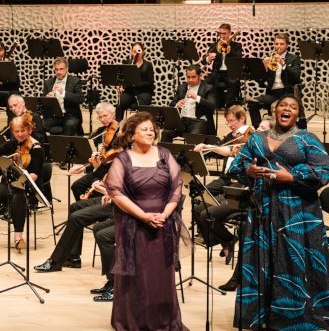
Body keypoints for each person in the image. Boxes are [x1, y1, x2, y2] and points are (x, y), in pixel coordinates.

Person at [227, 95, 329, 330]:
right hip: (262, 209)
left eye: (293, 107)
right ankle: (263, 316)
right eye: (283, 106)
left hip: (297, 211)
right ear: (274, 110)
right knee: (261, 260)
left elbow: (323, 171)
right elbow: (238, 166)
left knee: (294, 260)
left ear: (298, 114)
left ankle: (296, 318)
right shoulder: (256, 139)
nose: (287, 109)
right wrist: (251, 171)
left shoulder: (308, 139)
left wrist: (291, 177)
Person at [104, 111, 188, 331]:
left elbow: (177, 186)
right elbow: (115, 192)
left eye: (152, 129)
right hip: (135, 225)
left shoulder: (164, 153)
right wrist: (143, 216)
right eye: (144, 129)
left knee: (161, 274)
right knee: (139, 275)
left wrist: (166, 213)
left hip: (163, 223)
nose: (150, 132)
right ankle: (135, 320)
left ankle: (163, 319)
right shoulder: (123, 158)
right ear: (131, 135)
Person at [191, 105, 252, 291]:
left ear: (242, 119)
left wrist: (211, 147)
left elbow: (231, 151)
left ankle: (225, 240)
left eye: (232, 120)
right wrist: (208, 147)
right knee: (197, 203)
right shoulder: (234, 135)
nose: (229, 124)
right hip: (227, 180)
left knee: (206, 213)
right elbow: (225, 148)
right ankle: (224, 240)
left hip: (239, 186)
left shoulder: (250, 136)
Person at [0, 114, 44, 252]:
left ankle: (18, 238)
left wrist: (19, 179)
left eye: (23, 131)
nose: (20, 134)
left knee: (18, 198)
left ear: (29, 130)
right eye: (16, 131)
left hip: (26, 187)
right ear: (13, 132)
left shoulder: (36, 148)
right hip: (9, 184)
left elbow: (34, 175)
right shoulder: (13, 143)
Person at [65, 102, 119, 201]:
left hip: (110, 173)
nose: (103, 119)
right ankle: (83, 210)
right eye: (100, 117)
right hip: (98, 170)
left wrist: (88, 169)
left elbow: (111, 161)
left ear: (113, 114)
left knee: (92, 192)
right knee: (76, 186)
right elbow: (95, 158)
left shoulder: (120, 134)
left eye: (105, 116)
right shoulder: (99, 132)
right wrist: (83, 167)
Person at [247, 32, 301, 128]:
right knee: (252, 103)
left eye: (281, 44)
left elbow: (296, 77)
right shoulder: (271, 58)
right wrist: (264, 69)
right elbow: (262, 82)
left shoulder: (294, 58)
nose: (278, 46)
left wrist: (283, 64)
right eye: (276, 44)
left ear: (287, 45)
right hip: (272, 94)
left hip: (287, 94)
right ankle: (259, 130)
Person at [161, 64, 215, 142]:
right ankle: (166, 154)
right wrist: (177, 105)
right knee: (166, 132)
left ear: (200, 76)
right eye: (188, 77)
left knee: (193, 136)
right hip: (183, 121)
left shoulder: (208, 88)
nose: (190, 80)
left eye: (193, 77)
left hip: (199, 121)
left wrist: (197, 97)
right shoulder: (182, 87)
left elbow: (212, 105)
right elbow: (172, 105)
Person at [202, 22, 242, 110]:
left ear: (230, 33)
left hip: (230, 73)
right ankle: (210, 105)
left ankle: (228, 105)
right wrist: (208, 58)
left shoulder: (236, 45)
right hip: (216, 73)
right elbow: (204, 61)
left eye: (224, 33)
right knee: (205, 83)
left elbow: (239, 57)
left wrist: (228, 49)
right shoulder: (214, 45)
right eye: (220, 33)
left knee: (233, 83)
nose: (222, 36)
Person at [40, 56, 83, 135]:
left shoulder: (75, 81)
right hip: (54, 116)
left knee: (69, 125)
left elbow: (80, 99)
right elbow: (42, 101)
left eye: (61, 69)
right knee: (39, 125)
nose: (58, 72)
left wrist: (63, 92)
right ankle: (46, 146)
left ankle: (64, 146)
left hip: (70, 115)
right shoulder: (48, 82)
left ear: (67, 69)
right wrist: (46, 98)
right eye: (56, 69)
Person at [114, 42, 154, 122]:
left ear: (143, 52)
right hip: (130, 91)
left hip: (144, 91)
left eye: (138, 51)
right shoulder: (127, 63)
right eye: (134, 51)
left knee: (142, 106)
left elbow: (150, 82)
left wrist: (137, 83)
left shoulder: (148, 65)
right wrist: (120, 86)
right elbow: (122, 78)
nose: (136, 53)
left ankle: (141, 126)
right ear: (132, 52)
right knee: (119, 105)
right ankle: (117, 126)